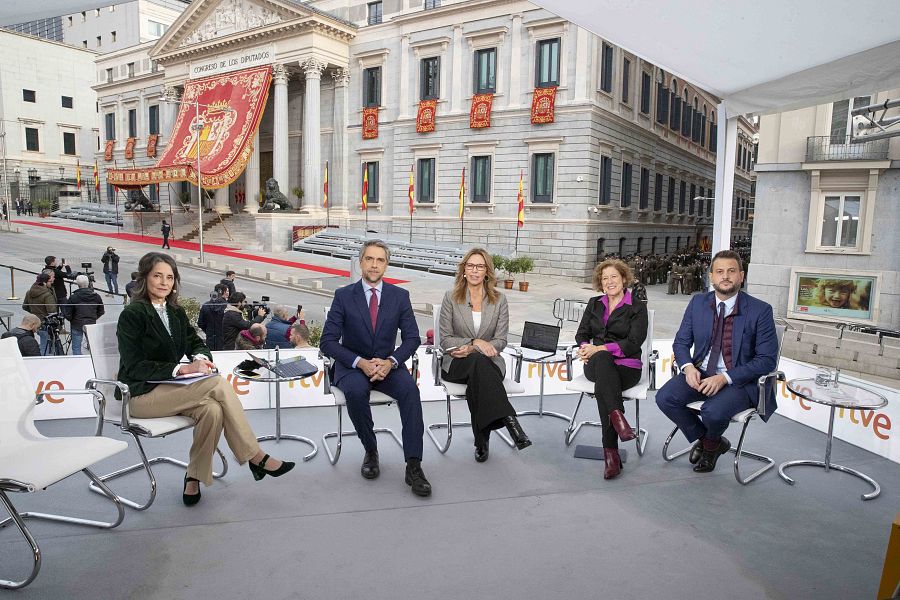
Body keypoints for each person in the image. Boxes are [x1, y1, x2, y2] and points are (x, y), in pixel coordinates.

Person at [116, 252, 294, 506]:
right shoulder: (132, 314)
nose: (164, 282)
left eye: (169, 277)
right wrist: (183, 370)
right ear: (145, 278)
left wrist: (200, 357)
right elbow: (134, 367)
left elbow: (196, 342)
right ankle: (254, 455)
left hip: (170, 391)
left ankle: (194, 476)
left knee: (212, 411)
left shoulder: (174, 312)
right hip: (139, 395)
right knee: (217, 383)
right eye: (157, 276)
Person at [320, 240, 431, 497]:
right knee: (356, 391)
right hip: (353, 366)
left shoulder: (400, 296)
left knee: (410, 391)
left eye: (380, 260)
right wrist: (360, 363)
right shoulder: (344, 296)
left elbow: (413, 338)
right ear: (360, 262)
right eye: (369, 259)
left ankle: (413, 465)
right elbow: (327, 341)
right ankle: (371, 450)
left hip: (387, 366)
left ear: (386, 265)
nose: (374, 264)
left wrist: (391, 361)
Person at [655, 249, 779, 473]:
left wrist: (725, 378)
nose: (725, 276)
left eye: (731, 271)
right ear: (710, 276)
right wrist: (688, 366)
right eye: (719, 271)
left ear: (741, 276)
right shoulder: (697, 303)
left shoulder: (760, 311)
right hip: (701, 371)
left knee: (712, 411)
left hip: (740, 381)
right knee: (665, 398)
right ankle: (711, 442)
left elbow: (767, 361)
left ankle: (708, 447)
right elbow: (681, 342)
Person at [438, 248, 531, 463]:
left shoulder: (499, 300)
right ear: (463, 270)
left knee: (478, 375)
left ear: (487, 271)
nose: (475, 271)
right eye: (470, 266)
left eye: (480, 266)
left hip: (489, 364)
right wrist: (474, 343)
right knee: (478, 365)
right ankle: (510, 421)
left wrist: (476, 349)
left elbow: (501, 341)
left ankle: (481, 441)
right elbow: (445, 339)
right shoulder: (450, 298)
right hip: (457, 362)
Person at [574, 259, 648, 479]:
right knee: (603, 361)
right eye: (605, 278)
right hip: (595, 365)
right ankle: (619, 419)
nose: (609, 281)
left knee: (604, 390)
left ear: (624, 279)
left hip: (627, 367)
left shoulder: (637, 306)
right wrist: (585, 348)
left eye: (614, 276)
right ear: (600, 283)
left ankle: (611, 454)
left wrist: (601, 348)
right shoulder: (594, 303)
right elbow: (581, 334)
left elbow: (634, 342)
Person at [62, 275, 105, 355]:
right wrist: (93, 317)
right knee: (93, 346)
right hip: (90, 323)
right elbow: (101, 311)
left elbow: (68, 313)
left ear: (78, 284)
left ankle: (78, 363)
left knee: (76, 347)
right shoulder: (96, 296)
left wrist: (72, 319)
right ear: (88, 283)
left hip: (77, 324)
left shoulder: (74, 297)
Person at [22, 271, 58, 355]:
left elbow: (25, 306)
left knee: (43, 344)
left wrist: (35, 313)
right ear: (44, 283)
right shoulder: (47, 294)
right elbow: (52, 311)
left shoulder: (29, 292)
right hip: (46, 323)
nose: (52, 282)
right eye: (50, 281)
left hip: (35, 323)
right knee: (45, 346)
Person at [197, 284, 229, 351]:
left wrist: (209, 330)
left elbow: (200, 323)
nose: (228, 293)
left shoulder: (206, 305)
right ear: (224, 292)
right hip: (224, 339)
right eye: (227, 291)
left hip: (210, 337)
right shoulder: (227, 306)